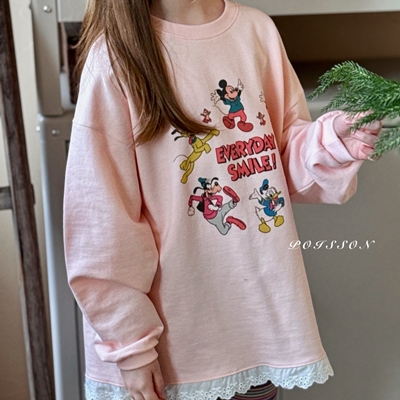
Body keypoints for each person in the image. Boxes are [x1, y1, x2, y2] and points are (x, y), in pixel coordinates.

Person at [63, 1, 381, 400]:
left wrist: (332, 142)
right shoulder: (114, 58)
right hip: (170, 354)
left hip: (257, 331)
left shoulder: (256, 31)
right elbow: (101, 225)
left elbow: (278, 164)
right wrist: (131, 345)